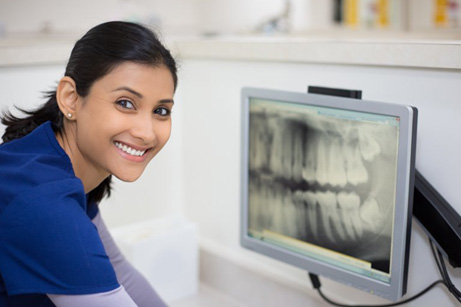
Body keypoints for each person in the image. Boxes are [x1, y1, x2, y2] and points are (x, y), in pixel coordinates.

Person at [0, 21, 177, 306]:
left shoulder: (55, 160)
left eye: (161, 110)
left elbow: (120, 273)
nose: (146, 132)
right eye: (125, 103)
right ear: (70, 99)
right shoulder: (45, 202)